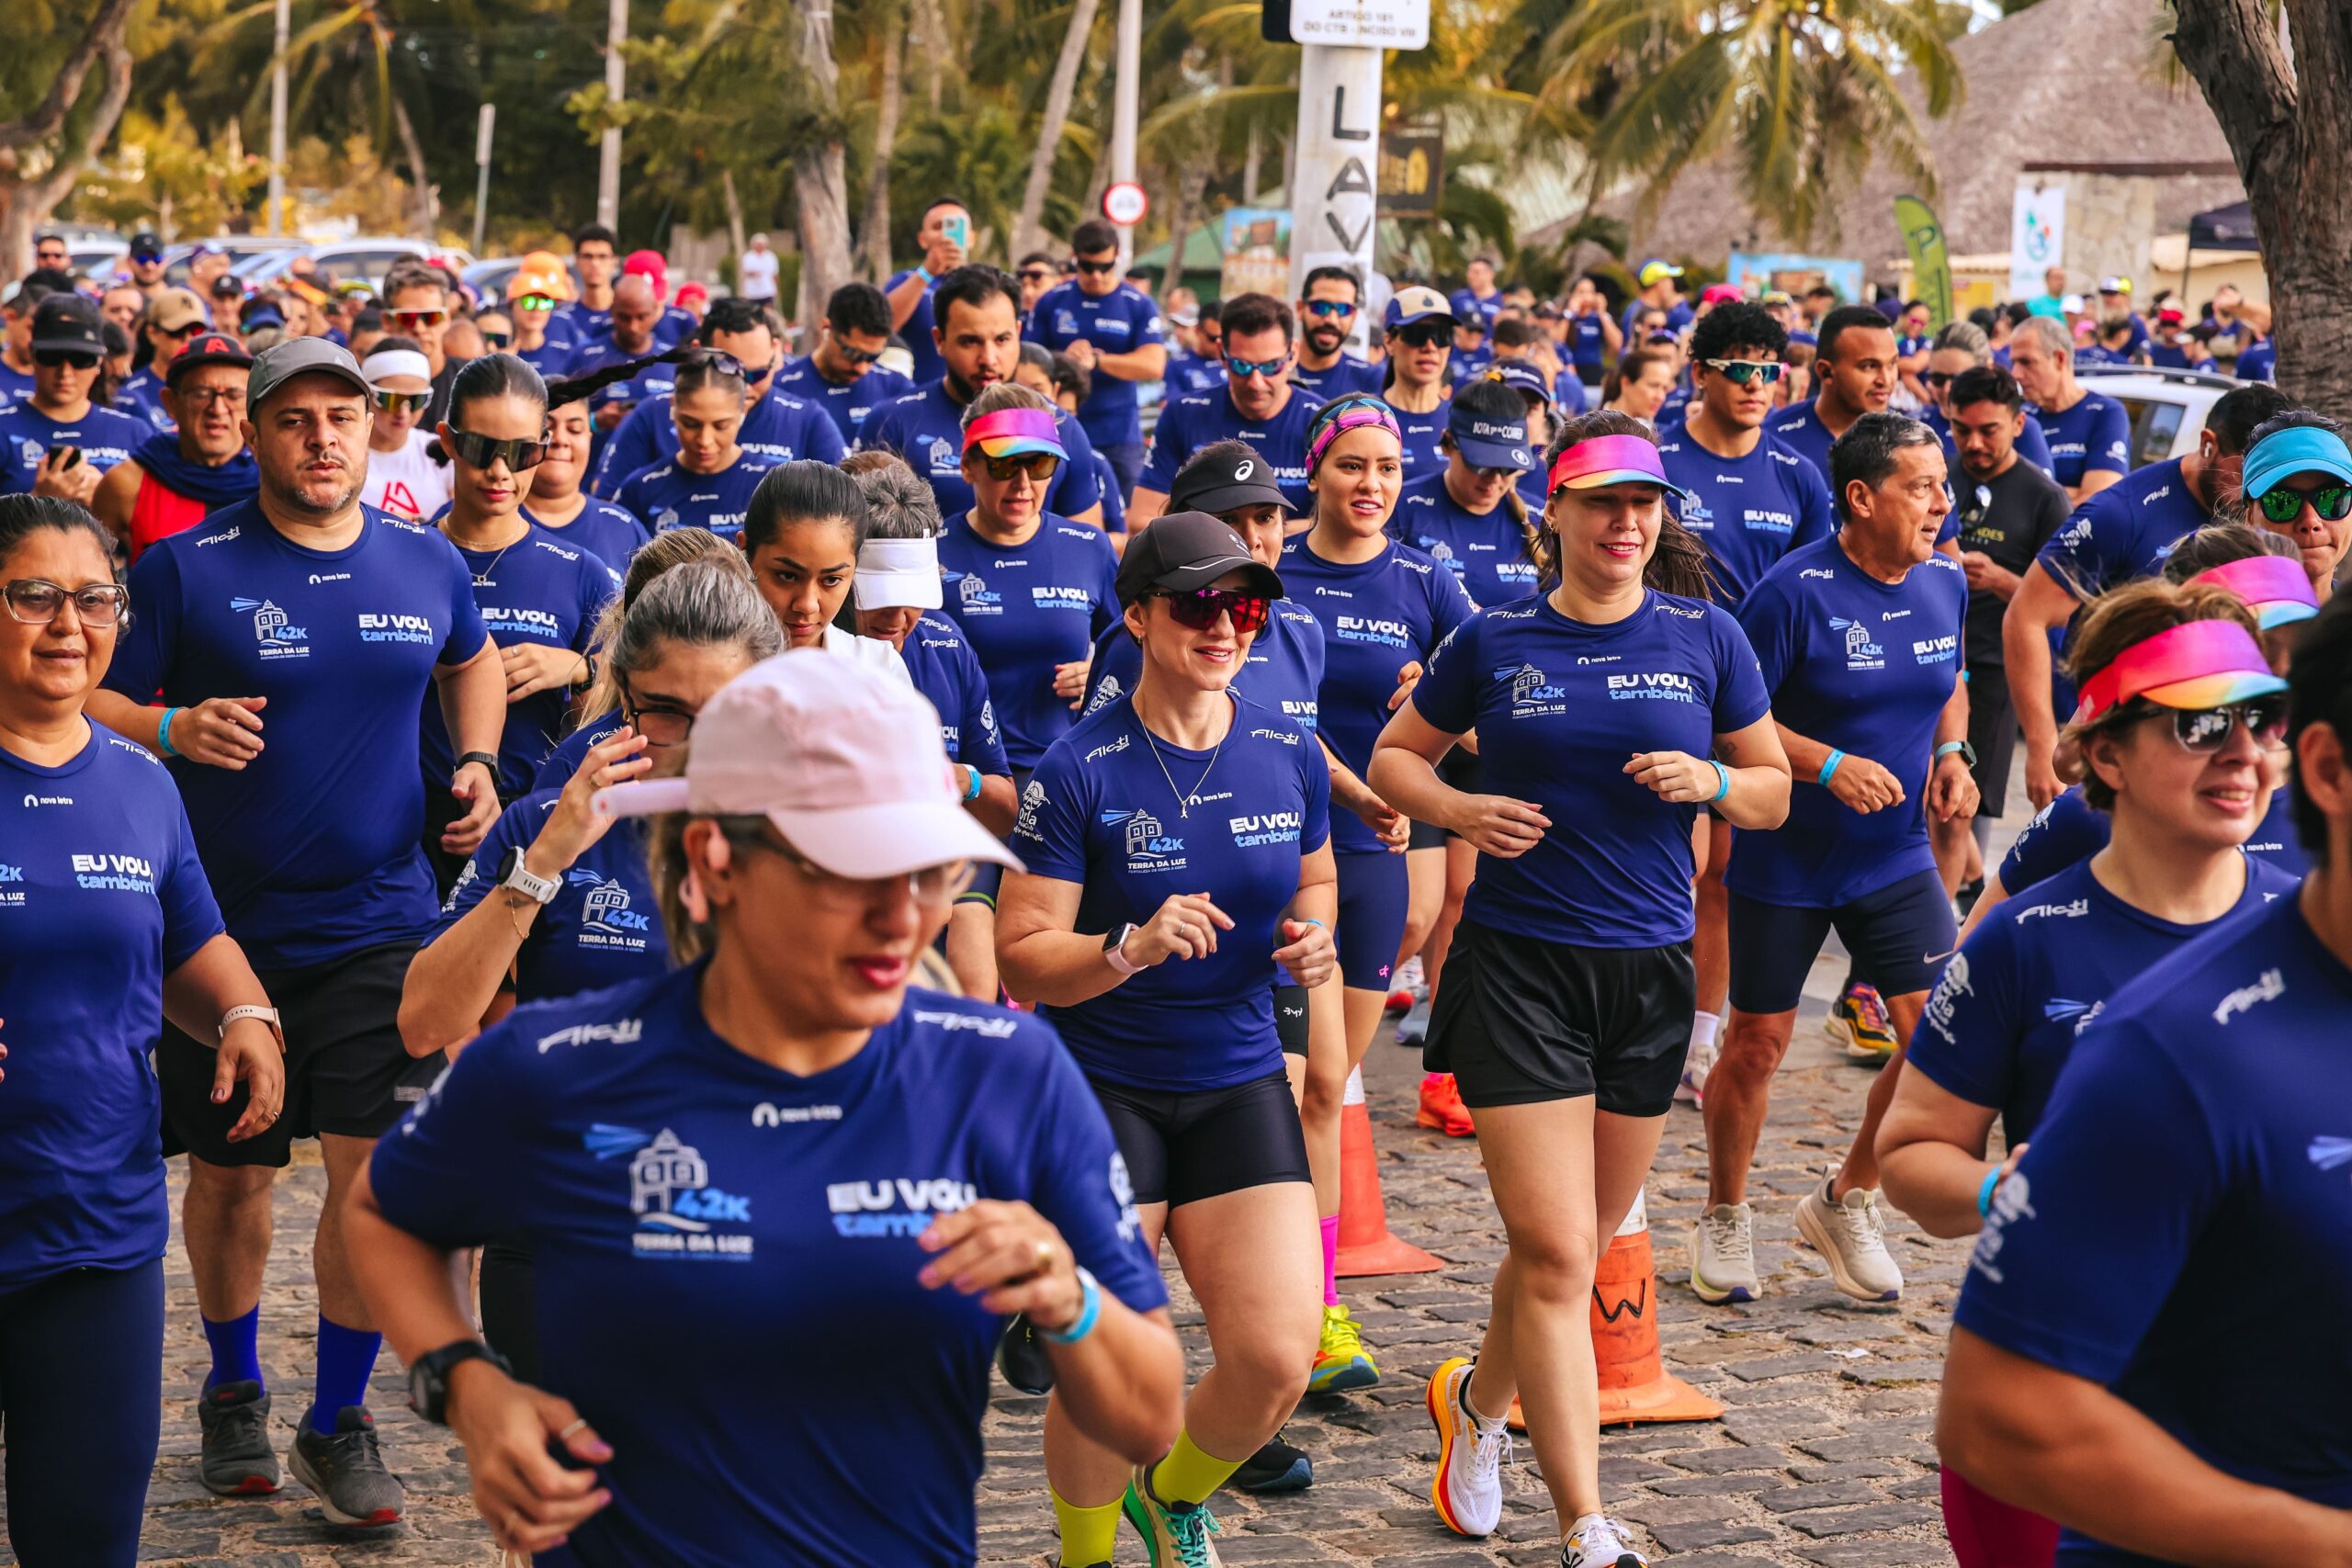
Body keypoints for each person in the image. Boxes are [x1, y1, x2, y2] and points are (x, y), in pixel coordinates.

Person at [348, 650, 1183, 1563]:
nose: (902, 916)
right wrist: (467, 1384)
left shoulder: (1006, 1073)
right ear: (716, 861)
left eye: (930, 869)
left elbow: (1149, 1421)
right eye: (850, 871)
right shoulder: (561, 1064)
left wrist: (1070, 1302)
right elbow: (384, 1214)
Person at [84, 336, 504, 1525]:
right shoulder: (185, 568)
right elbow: (96, 699)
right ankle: (232, 1389)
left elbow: (471, 662)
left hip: (383, 922)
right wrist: (171, 727)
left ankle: (340, 1416)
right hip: (220, 934)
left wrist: (476, 760)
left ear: (374, 429)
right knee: (232, 1175)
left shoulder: (427, 559)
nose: (323, 439)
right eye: (296, 419)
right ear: (259, 434)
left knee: (374, 1182)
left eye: (344, 417)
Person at [1369, 412, 1787, 1568]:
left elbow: (1769, 791)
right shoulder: (1495, 638)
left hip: (1646, 976)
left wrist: (1711, 779)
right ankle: (1584, 1525)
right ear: (1552, 511)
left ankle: (1475, 1404)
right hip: (1520, 969)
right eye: (1601, 501)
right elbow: (1394, 757)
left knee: (1569, 1245)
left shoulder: (1707, 635)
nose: (1624, 522)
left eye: (1642, 503)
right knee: (1557, 1255)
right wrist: (1455, 809)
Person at [1880, 578, 2298, 1568]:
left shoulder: (2316, 934)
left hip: (2271, 1413)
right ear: (2106, 754)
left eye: (2262, 719)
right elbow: (1909, 1156)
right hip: (2058, 1410)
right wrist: (2002, 1187)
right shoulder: (2024, 941)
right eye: (2200, 725)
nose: (2242, 752)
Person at [1001, 512, 1341, 1564]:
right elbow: (1022, 955)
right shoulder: (1078, 768)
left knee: (1278, 1358)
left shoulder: (1287, 749)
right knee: (1108, 1365)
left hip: (1238, 1076)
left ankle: (1170, 1497)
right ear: (1139, 618)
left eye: (1244, 607)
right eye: (1198, 603)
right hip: (1102, 1088)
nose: (1225, 625)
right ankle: (1084, 1555)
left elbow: (1317, 877)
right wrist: (1126, 948)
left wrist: (1312, 939)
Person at [396, 558, 781, 1383]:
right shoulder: (548, 819)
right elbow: (425, 1021)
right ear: (623, 695)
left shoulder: (806, 830)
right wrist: (544, 862)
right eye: (667, 712)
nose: (693, 746)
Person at [0, 495, 284, 1568]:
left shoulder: (141, 784)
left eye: (93, 599)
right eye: (33, 596)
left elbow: (190, 940)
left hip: (96, 1233)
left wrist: (245, 1014)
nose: (68, 625)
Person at [1695, 413, 1977, 1308]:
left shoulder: (1944, 581)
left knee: (1939, 1037)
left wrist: (1951, 754)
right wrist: (1824, 764)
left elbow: (1950, 678)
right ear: (1860, 497)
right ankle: (1724, 1213)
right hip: (1787, 855)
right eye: (1920, 487)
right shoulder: (1792, 592)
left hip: (1893, 856)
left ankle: (1846, 1196)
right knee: (1757, 1046)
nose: (1940, 503)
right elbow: (1726, 718)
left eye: (1942, 485)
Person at [1281, 393, 1470, 1382]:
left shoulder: (1424, 577)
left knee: (1325, 1084)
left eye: (1388, 468)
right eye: (1352, 465)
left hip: (1374, 850)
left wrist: (1436, 707)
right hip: (1279, 845)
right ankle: (1306, 1310)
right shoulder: (1273, 572)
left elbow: (1488, 699)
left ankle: (1303, 1302)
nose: (1371, 484)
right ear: (1316, 471)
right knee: (1305, 1087)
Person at [1651, 302, 1837, 1104]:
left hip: (1754, 700)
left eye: (1770, 370)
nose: (1759, 384)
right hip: (1663, 685)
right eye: (1741, 369)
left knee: (1723, 877)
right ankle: (1645, 1022)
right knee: (1674, 866)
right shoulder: (1658, 461)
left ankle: (1699, 1040)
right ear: (1701, 374)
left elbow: (1821, 589)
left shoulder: (1797, 473)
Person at [1966, 526, 2317, 939]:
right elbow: (1971, 958)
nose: (2277, 669)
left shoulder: (2330, 805)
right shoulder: (2087, 816)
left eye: (2294, 642)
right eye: (2249, 642)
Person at [2004, 383, 2290, 808]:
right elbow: (2026, 615)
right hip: (2119, 747)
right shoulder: (2123, 513)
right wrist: (2042, 747)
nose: (2258, 492)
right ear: (2208, 445)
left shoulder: (2276, 514)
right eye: (2246, 474)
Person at [1384, 380, 1544, 1121]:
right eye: (1479, 463)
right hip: (1420, 726)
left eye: (1507, 468)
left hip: (1498, 730)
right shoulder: (1409, 506)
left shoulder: (1535, 523)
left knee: (1462, 898)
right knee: (1419, 911)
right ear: (1447, 444)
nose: (1491, 480)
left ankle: (1446, 1066)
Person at [423, 355, 618, 838]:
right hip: (415, 824)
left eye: (520, 453)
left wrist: (580, 669)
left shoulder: (580, 571)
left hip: (534, 826)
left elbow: (618, 717)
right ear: (448, 441)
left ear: (542, 449)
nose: (499, 471)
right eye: (481, 448)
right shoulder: (403, 557)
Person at [847, 456, 1015, 999]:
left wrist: (960, 781)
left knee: (974, 982)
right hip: (843, 874)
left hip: (942, 863)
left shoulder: (945, 645)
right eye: (880, 601)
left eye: (914, 601)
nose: (898, 620)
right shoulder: (806, 646)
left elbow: (1003, 806)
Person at [932, 386, 1118, 784]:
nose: (1022, 483)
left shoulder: (1089, 547)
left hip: (1068, 775)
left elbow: (1137, 649)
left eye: (1039, 465)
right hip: (965, 779)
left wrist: (1102, 675)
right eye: (1004, 466)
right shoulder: (931, 552)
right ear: (967, 467)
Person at [1943, 366, 2073, 872]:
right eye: (1961, 429)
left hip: (1998, 665)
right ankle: (1966, 880)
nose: (1973, 443)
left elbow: (2070, 605)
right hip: (1930, 656)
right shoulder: (1936, 478)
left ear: (2019, 424)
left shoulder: (2044, 497)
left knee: (1969, 799)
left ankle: (1964, 892)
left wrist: (2001, 580)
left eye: (1988, 430)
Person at [858, 265, 1106, 528]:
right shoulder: (892, 422)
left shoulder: (1061, 427)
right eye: (970, 341)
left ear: (1019, 333)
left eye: (1002, 340)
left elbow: (1084, 540)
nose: (988, 358)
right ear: (939, 340)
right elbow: (861, 538)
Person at [594, 297, 844, 491]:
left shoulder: (808, 420)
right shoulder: (651, 415)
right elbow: (609, 506)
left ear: (776, 352)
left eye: (758, 374)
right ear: (697, 352)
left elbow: (846, 509)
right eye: (730, 372)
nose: (744, 387)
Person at [1131, 292, 1316, 526]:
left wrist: (1258, 535)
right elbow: (1140, 520)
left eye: (1271, 366)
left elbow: (1343, 528)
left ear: (1293, 354)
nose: (1256, 382)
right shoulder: (1183, 415)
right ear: (1221, 353)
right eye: (1241, 366)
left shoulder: (1322, 422)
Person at [1023, 219, 1167, 502]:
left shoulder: (1137, 304)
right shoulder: (1052, 301)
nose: (1097, 275)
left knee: (1125, 512)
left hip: (1118, 432)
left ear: (1117, 257)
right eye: (1087, 267)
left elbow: (1153, 365)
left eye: (1106, 266)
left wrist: (1098, 361)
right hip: (1057, 426)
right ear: (1074, 258)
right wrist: (1065, 359)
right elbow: (1026, 360)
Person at [737, 457, 910, 683]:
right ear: (745, 551)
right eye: (787, 576)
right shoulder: (708, 668)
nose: (807, 605)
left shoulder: (880, 670)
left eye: (831, 580)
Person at [92, 333, 260, 563]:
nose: (218, 409)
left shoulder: (273, 484)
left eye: (234, 395)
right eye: (201, 394)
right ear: (171, 402)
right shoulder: (127, 484)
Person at [610, 351, 778, 544]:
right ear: (673, 407)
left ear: (743, 412)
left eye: (720, 426)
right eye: (691, 424)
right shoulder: (641, 488)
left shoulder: (771, 486)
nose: (705, 440)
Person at [0, 296, 150, 502]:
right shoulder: (3, 427)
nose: (65, 372)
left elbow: (159, 515)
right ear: (33, 355)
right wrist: (38, 501)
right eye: (52, 357)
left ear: (99, 362)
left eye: (81, 359)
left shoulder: (134, 433)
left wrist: (108, 500)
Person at [2005, 315, 2130, 507]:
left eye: (2026, 362)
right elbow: (2006, 497)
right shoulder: (2022, 417)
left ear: (2059, 359)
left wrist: (2038, 501)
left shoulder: (2105, 413)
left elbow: (2099, 501)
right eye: (2013, 363)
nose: (2016, 374)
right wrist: (2073, 492)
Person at [1765, 304, 1898, 480]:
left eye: (1892, 364)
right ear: (1825, 372)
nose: (1886, 380)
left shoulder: (1909, 442)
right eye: (1869, 366)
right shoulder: (1773, 441)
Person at [774, 281, 915, 446]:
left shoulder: (897, 389)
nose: (862, 369)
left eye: (873, 357)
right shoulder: (782, 389)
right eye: (853, 354)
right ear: (827, 328)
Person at [523, 391, 651, 570]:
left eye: (574, 429)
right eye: (546, 428)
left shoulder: (624, 527)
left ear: (589, 438)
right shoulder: (494, 521)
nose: (560, 439)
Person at [2238, 409, 2352, 604]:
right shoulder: (2220, 617)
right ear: (2250, 517)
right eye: (2282, 503)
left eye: (2333, 500)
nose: (2310, 521)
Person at [1918, 321, 2055, 478]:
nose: (1947, 389)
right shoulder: (1919, 427)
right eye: (1938, 379)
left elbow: (2042, 489)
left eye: (1959, 379)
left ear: (1988, 369)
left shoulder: (2018, 427)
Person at [354, 339, 450, 523]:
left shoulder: (441, 451)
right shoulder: (343, 454)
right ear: (366, 394)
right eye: (391, 400)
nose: (403, 413)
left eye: (417, 400)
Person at [888, 197, 973, 386]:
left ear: (970, 239)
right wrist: (927, 272)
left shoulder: (986, 282)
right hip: (918, 390)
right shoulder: (904, 281)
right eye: (937, 227)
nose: (945, 235)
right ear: (922, 239)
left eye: (954, 227)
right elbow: (882, 326)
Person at [1379, 287, 1456, 481]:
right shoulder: (1364, 419)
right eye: (1417, 334)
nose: (1430, 347)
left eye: (1441, 335)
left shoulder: (1463, 421)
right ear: (1389, 342)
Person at [378, 264, 467, 426]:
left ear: (446, 319)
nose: (419, 328)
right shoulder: (367, 385)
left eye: (431, 317)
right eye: (407, 318)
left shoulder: (469, 383)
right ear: (386, 321)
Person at [115, 287, 210, 435]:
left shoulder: (216, 390)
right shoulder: (132, 393)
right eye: (177, 331)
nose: (188, 339)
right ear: (152, 333)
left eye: (196, 331)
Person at [1293, 265, 1382, 400]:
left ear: (1353, 316)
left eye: (1343, 309)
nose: (1331, 320)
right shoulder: (1272, 373)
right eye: (1321, 307)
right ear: (1300, 309)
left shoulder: (1371, 380)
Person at [505, 251, 581, 378]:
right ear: (511, 306)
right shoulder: (499, 345)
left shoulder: (565, 326)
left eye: (546, 303)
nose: (537, 309)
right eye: (528, 302)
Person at [554, 223, 620, 341]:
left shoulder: (628, 317)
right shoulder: (563, 317)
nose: (595, 263)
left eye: (602, 257)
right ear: (577, 260)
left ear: (614, 261)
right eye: (587, 256)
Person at [1562, 276, 1623, 397]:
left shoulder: (1597, 318)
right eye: (1581, 292)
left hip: (1594, 372)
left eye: (1591, 292)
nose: (1586, 296)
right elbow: (1557, 342)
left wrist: (1602, 313)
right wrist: (1570, 312)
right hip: (1571, 371)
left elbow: (1619, 345)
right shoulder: (1566, 317)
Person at [1618, 259, 1692, 347]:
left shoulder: (1645, 309)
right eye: (1669, 280)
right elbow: (1631, 350)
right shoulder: (1637, 313)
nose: (1672, 285)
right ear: (1660, 284)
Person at [1600, 347, 1677, 427]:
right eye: (1653, 386)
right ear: (1626, 383)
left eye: (1665, 389)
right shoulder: (1593, 429)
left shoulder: (1665, 432)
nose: (1660, 397)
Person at [1449, 254, 1504, 334]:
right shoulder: (1458, 298)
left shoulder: (1502, 299)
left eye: (1476, 272)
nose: (1471, 276)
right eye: (1469, 271)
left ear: (1491, 275)